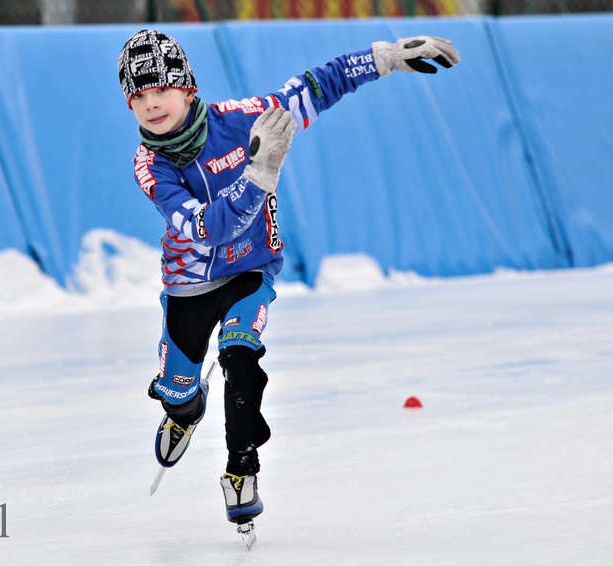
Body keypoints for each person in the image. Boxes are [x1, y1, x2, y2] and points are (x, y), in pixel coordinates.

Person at [117, 29, 459, 527]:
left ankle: (241, 469)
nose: (151, 104)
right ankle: (184, 411)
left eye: (161, 90)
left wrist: (382, 59)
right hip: (188, 285)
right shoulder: (151, 165)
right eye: (138, 96)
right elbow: (205, 230)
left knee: (240, 358)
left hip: (250, 271)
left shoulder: (239, 119)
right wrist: (259, 175)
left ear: (188, 89)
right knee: (180, 392)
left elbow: (312, 89)